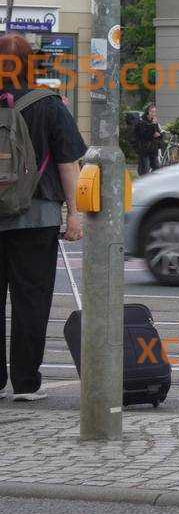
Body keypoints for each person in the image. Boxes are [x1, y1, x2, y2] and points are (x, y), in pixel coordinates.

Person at [0, 34, 87, 403]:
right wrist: (75, 215)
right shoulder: (49, 104)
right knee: (31, 300)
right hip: (36, 217)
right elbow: (68, 164)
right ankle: (25, 382)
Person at [133, 105, 164, 175]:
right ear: (148, 112)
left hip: (153, 148)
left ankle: (154, 180)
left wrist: (159, 135)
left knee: (157, 168)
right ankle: (143, 180)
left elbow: (158, 132)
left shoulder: (154, 121)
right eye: (152, 112)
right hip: (144, 148)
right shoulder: (142, 121)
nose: (154, 114)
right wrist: (153, 133)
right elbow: (142, 135)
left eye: (155, 112)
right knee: (145, 168)